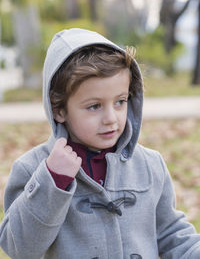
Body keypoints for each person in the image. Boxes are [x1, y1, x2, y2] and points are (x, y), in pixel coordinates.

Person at [0, 28, 200, 259]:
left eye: (120, 102)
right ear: (59, 110)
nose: (111, 118)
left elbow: (171, 234)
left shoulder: (149, 165)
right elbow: (19, 248)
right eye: (94, 106)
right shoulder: (32, 168)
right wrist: (52, 180)